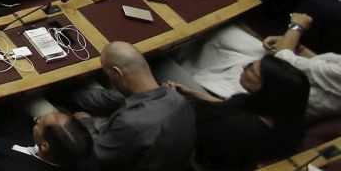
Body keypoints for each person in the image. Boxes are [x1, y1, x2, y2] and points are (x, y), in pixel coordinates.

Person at [62, 42, 196, 170]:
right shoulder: (178, 98)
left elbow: (94, 154)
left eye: (107, 74)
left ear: (117, 73)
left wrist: (86, 123)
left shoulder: (130, 123)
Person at [175, 56, 309, 169]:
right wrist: (192, 92)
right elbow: (227, 106)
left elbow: (178, 133)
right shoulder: (285, 118)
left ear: (266, 90)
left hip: (180, 144)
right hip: (189, 119)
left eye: (251, 69)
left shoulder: (238, 130)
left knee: (159, 64)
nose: (244, 67)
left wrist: (166, 97)